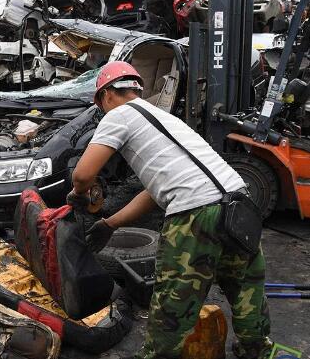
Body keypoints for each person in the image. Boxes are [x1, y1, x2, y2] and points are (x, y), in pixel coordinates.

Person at [67, 61, 272, 359]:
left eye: (100, 103)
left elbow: (83, 175)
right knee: (246, 290)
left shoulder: (119, 115)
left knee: (172, 309)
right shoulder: (164, 118)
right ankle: (256, 351)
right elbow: (153, 193)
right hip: (240, 205)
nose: (102, 110)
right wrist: (109, 224)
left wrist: (79, 194)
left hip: (196, 217)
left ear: (108, 94)